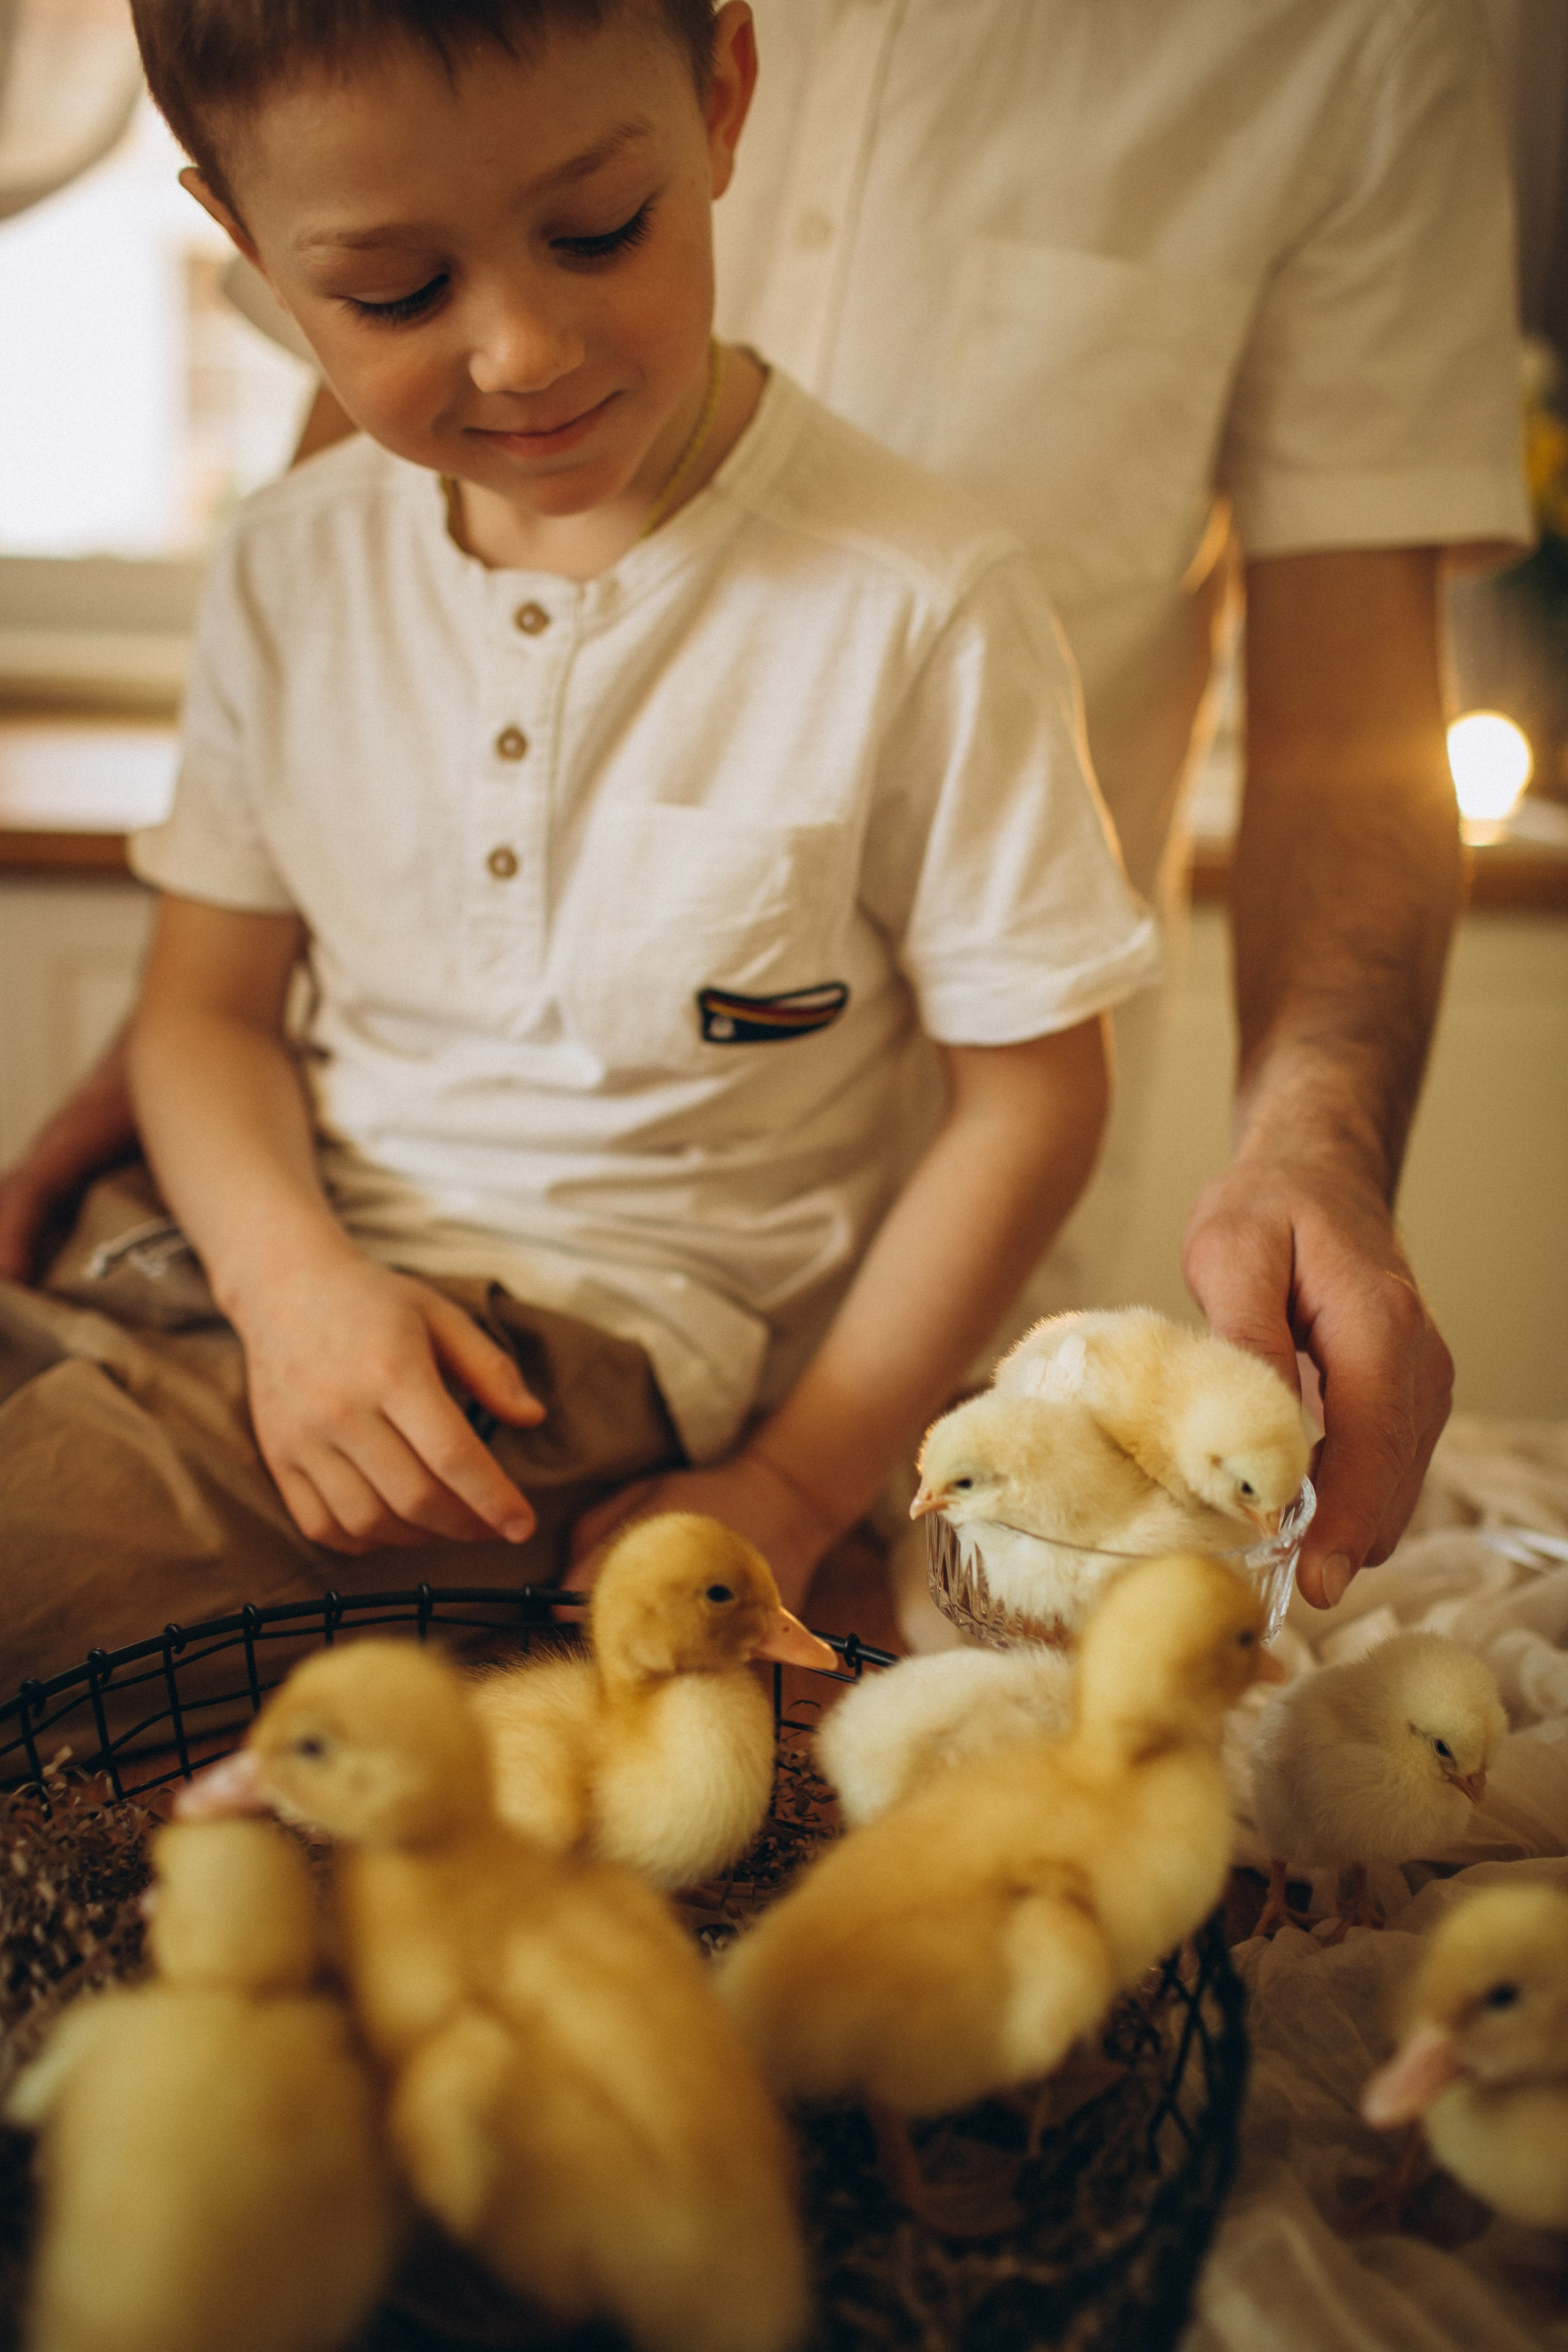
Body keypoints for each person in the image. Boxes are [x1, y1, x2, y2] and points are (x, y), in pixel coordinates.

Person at [0, 0, 1531, 1616]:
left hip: (560, 1358)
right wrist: (284, 1275)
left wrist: (795, 1484)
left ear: (724, 98)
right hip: (237, 1256)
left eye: (599, 233)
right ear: (239, 233)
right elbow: (205, 1013)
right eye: (395, 289)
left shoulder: (923, 601)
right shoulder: (286, 560)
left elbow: (1041, 1082)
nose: (521, 352)